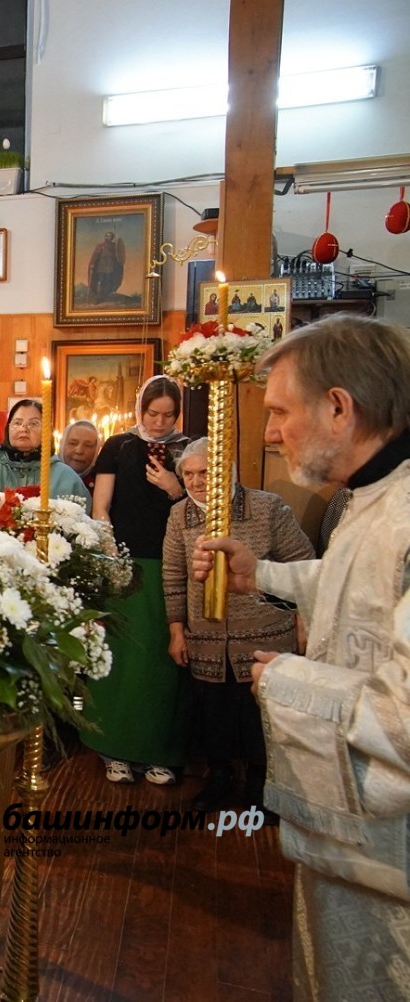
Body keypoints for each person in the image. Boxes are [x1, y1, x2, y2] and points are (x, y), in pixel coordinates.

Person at [193, 315, 410, 999]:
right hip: (359, 848)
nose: (269, 432)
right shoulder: (375, 496)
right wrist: (261, 574)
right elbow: (361, 586)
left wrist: (287, 680)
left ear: (339, 408)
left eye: (281, 411)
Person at [162, 438, 312, 814]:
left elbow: (301, 563)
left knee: (260, 716)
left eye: (205, 473)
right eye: (189, 474)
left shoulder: (266, 507)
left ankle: (262, 786)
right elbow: (173, 575)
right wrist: (177, 630)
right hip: (207, 638)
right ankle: (219, 777)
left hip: (265, 633)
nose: (197, 482)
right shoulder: (179, 515)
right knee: (214, 714)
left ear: (226, 473)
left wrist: (303, 621)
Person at [88, 374, 189, 785]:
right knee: (123, 656)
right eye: (153, 413)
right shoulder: (119, 445)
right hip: (125, 562)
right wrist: (110, 551)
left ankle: (160, 751)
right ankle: (114, 748)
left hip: (172, 565)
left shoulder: (188, 449)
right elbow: (101, 506)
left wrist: (175, 488)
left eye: (168, 415)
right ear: (140, 409)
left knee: (162, 661)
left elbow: (201, 507)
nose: (160, 423)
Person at [0, 399, 91, 510]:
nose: (24, 429)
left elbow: (81, 517)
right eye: (17, 423)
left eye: (33, 424)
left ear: (46, 431)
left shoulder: (66, 477)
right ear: (8, 428)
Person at [60, 419, 103, 493]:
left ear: (96, 450)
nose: (79, 451)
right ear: (62, 445)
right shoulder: (47, 474)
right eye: (73, 443)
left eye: (88, 445)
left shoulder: (102, 484)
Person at [87, 230, 125, 301]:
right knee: (101, 280)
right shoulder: (100, 246)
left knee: (109, 281)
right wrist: (92, 263)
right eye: (107, 236)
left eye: (110, 236)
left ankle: (106, 296)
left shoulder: (114, 246)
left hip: (111, 267)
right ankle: (99, 296)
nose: (108, 237)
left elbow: (119, 256)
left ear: (112, 237)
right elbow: (96, 256)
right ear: (105, 237)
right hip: (101, 267)